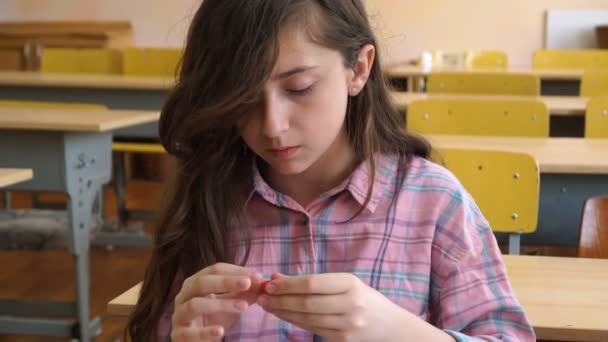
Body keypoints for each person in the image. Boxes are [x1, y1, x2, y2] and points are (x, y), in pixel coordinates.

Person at [126, 1, 535, 341]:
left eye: (300, 88)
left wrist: (399, 331)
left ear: (358, 69)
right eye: (243, 97)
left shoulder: (432, 202)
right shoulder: (209, 201)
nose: (273, 125)